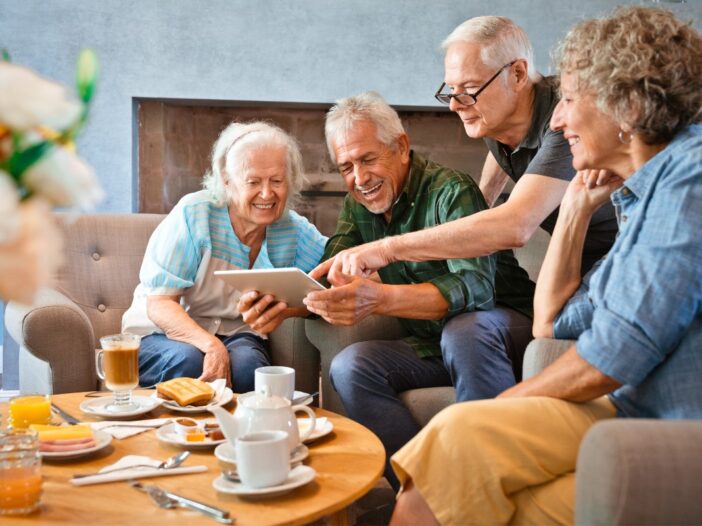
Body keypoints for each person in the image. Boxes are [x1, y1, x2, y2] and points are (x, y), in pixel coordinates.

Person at [389, 6, 702, 525]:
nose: (557, 120)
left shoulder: (688, 182)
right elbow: (551, 323)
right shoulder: (640, 200)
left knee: (466, 446)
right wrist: (576, 207)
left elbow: (611, 358)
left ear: (626, 106)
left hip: (668, 426)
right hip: (632, 412)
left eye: (571, 100)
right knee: (467, 472)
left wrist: (495, 407)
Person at [301, 91, 533, 489]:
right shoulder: (358, 205)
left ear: (402, 147)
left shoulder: (451, 190)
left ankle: (492, 485)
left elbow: (475, 289)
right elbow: (331, 268)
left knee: (465, 330)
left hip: (503, 333)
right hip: (436, 344)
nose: (359, 179)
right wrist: (287, 301)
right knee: (351, 366)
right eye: (346, 167)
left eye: (368, 159)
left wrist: (382, 299)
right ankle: (428, 492)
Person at [318, 16, 617, 290]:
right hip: (579, 260)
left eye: (469, 88)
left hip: (623, 254)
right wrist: (481, 200)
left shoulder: (565, 120)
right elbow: (501, 157)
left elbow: (517, 225)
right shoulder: (493, 116)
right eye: (451, 89)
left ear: (517, 73)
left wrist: (384, 250)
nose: (455, 104)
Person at [122, 121, 327, 392]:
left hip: (237, 334)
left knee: (249, 370)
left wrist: (287, 311)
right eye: (253, 182)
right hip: (160, 333)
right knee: (190, 362)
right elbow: (160, 304)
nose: (267, 193)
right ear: (227, 181)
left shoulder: (295, 231)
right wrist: (212, 346)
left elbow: (330, 279)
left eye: (277, 181)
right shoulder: (195, 214)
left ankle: (247, 434)